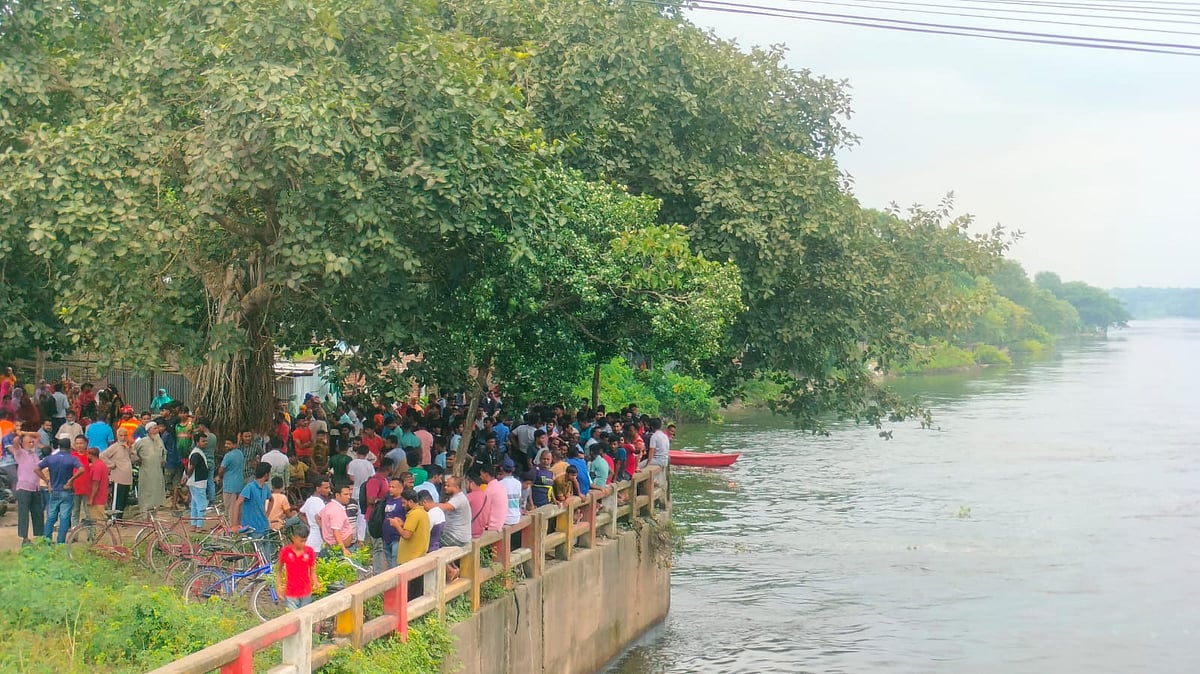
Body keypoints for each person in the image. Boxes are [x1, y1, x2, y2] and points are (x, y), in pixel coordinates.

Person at [39, 437, 83, 543]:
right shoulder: (72, 459)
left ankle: (47, 541)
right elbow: (82, 469)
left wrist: (47, 481)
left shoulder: (51, 458)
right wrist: (71, 480)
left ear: (59, 446)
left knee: (51, 517)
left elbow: (36, 468)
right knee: (64, 517)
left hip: (54, 490)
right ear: (70, 447)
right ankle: (60, 542)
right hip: (67, 491)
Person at [276, 524, 319, 611]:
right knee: (293, 619)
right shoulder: (286, 552)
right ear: (294, 538)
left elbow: (312, 570)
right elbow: (279, 570)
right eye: (301, 541)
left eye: (305, 541)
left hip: (306, 591)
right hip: (291, 591)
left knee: (305, 616)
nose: (303, 544)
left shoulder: (309, 551)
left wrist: (315, 582)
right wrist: (279, 587)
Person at [14, 433, 45, 543]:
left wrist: (27, 434)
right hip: (24, 488)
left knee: (38, 513)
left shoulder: (34, 454)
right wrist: (21, 434)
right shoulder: (20, 453)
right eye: (29, 442)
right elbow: (15, 441)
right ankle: (25, 538)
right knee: (24, 514)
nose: (32, 443)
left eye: (32, 442)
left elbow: (38, 436)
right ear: (23, 444)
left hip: (35, 487)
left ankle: (40, 537)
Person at [390, 488, 429, 565]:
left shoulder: (414, 514)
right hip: (418, 556)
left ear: (410, 501)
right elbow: (415, 531)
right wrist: (403, 524)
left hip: (410, 559)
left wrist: (396, 525)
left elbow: (406, 535)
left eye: (404, 503)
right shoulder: (423, 512)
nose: (402, 505)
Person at [133, 421, 167, 511]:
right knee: (146, 492)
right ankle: (144, 513)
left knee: (156, 492)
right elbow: (132, 451)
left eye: (157, 428)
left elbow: (164, 452)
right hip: (146, 472)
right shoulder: (142, 441)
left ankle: (153, 513)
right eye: (155, 428)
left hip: (157, 472)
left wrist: (164, 460)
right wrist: (137, 459)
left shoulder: (160, 441)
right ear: (148, 430)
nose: (157, 430)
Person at [101, 427, 135, 516]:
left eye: (125, 435)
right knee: (117, 500)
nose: (123, 437)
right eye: (121, 435)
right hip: (118, 478)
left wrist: (131, 448)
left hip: (127, 478)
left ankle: (119, 519)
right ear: (117, 436)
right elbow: (102, 456)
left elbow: (134, 458)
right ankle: (113, 519)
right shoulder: (114, 447)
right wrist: (111, 464)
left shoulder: (128, 446)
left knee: (123, 500)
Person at [234, 463, 273, 536]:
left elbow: (271, 500)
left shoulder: (265, 487)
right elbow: (237, 503)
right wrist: (235, 524)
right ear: (266, 475)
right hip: (252, 528)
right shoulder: (250, 487)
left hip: (264, 526)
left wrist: (267, 514)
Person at [317, 482, 356, 555]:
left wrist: (326, 530)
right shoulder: (336, 510)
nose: (349, 497)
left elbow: (318, 517)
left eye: (349, 494)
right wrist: (343, 549)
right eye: (345, 494)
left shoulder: (329, 506)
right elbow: (336, 531)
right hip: (340, 549)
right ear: (337, 495)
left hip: (334, 546)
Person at [299, 478, 331, 554]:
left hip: (311, 539)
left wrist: (310, 524)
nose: (329, 490)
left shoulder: (309, 500)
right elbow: (321, 522)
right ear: (318, 489)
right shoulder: (319, 503)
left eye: (329, 487)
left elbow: (300, 514)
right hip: (319, 541)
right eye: (326, 488)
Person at [380, 477, 406, 568]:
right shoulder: (387, 499)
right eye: (389, 486)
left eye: (393, 487)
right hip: (386, 537)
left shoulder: (403, 502)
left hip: (397, 538)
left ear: (401, 488)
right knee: (389, 564)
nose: (390, 489)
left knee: (396, 563)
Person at [184, 436, 210, 529]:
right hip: (198, 482)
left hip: (195, 482)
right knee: (201, 504)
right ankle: (199, 526)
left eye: (206, 441)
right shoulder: (196, 454)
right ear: (197, 442)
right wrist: (187, 476)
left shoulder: (196, 452)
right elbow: (191, 467)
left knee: (195, 504)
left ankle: (194, 524)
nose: (205, 443)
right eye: (203, 441)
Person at [217, 439, 246, 516]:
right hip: (240, 484)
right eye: (226, 443)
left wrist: (219, 476)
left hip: (229, 486)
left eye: (229, 444)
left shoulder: (228, 456)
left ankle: (232, 526)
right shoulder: (240, 453)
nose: (226, 445)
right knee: (239, 509)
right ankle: (239, 526)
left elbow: (221, 469)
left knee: (230, 508)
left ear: (235, 444)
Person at [478, 464, 507, 534]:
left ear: (486, 475)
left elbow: (484, 511)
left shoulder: (489, 490)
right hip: (500, 523)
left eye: (481, 474)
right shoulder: (500, 486)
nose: (480, 477)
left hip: (492, 526)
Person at [69, 434, 91, 526]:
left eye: (81, 443)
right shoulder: (72, 456)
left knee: (89, 513)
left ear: (86, 444)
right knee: (75, 512)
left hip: (88, 489)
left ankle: (91, 535)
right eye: (77, 443)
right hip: (75, 488)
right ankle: (74, 535)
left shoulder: (90, 456)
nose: (79, 445)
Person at [85, 445, 110, 523]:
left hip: (98, 498)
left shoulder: (97, 467)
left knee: (98, 520)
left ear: (90, 455)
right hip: (102, 495)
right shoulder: (102, 464)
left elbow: (96, 483)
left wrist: (91, 498)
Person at [498, 458, 523, 526]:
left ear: (501, 468)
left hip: (505, 519)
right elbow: (520, 500)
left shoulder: (499, 484)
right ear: (513, 469)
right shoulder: (518, 483)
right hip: (516, 517)